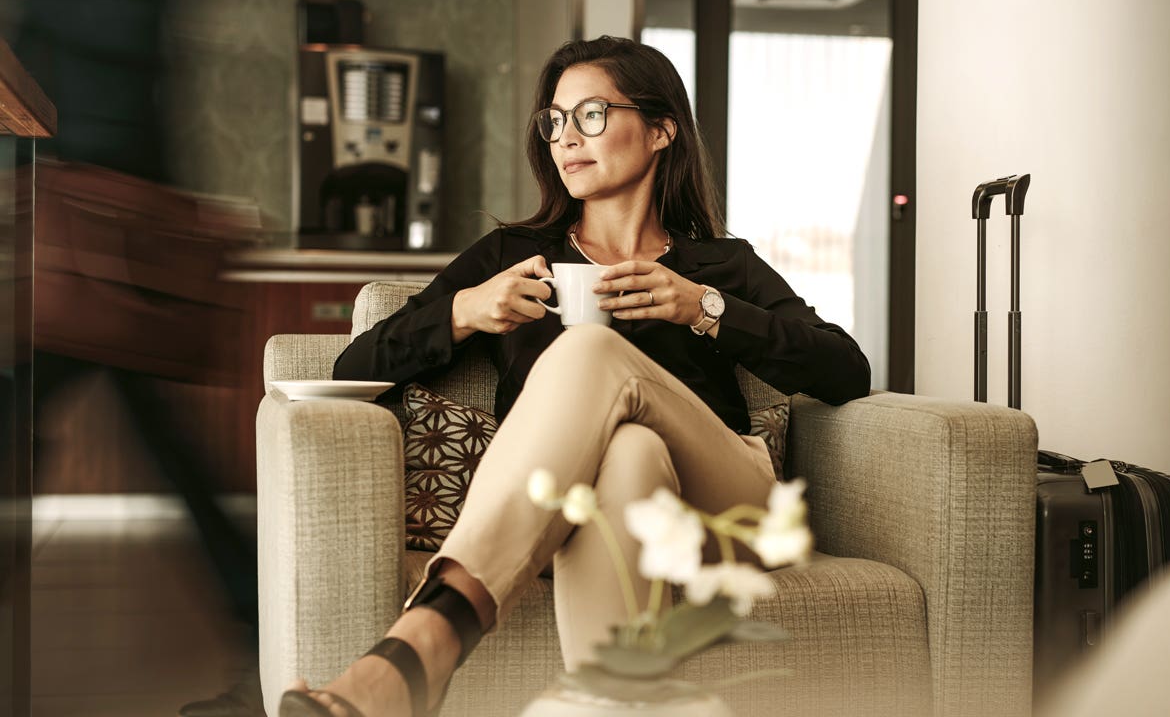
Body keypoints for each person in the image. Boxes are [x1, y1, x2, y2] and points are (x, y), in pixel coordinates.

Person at [279, 36, 871, 717]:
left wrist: (702, 308)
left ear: (659, 130)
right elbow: (356, 367)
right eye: (555, 121)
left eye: (590, 115)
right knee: (628, 453)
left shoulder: (718, 266)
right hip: (603, 500)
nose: (566, 138)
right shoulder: (514, 256)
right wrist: (468, 310)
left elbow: (845, 370)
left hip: (728, 506)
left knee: (588, 351)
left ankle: (430, 638)